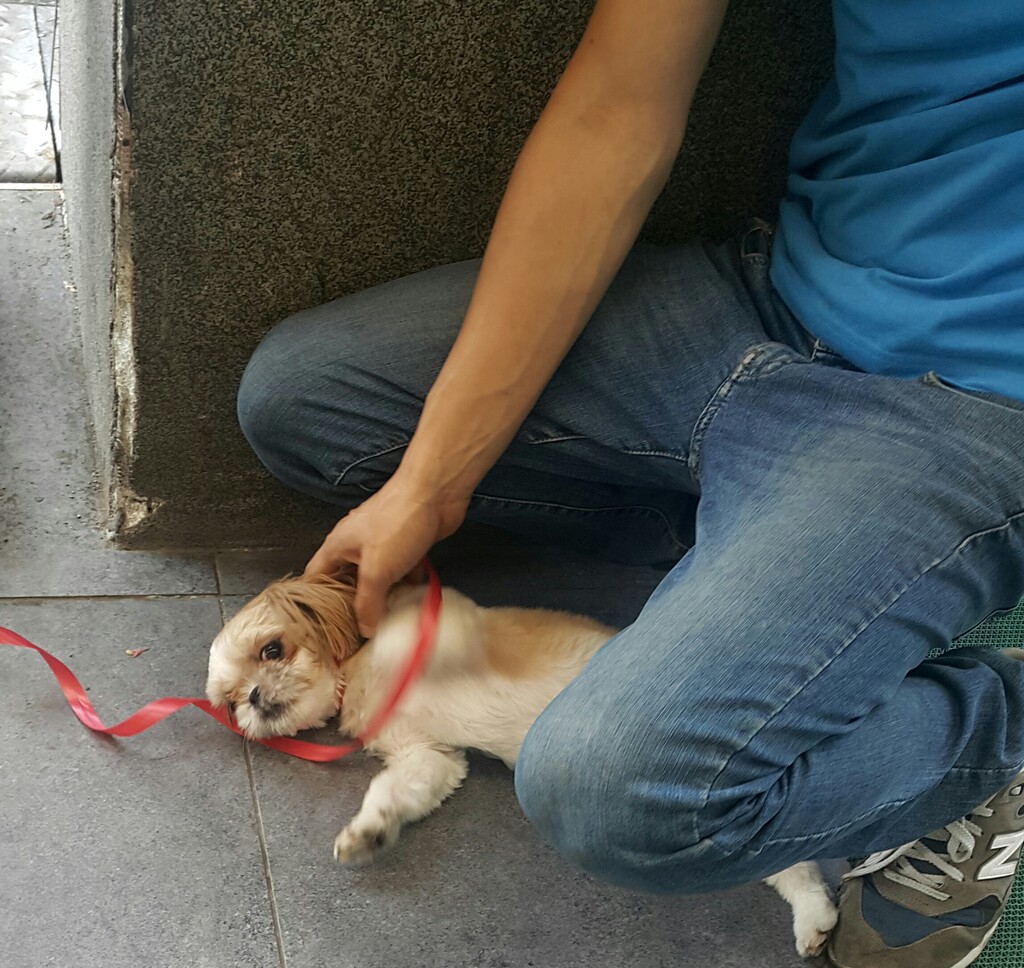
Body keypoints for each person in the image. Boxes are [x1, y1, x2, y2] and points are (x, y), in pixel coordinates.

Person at [235, 2, 1024, 965]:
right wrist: (432, 484)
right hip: (776, 295)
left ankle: (991, 737)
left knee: (619, 798)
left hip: (972, 402)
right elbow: (618, 101)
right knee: (305, 402)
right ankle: (770, 574)